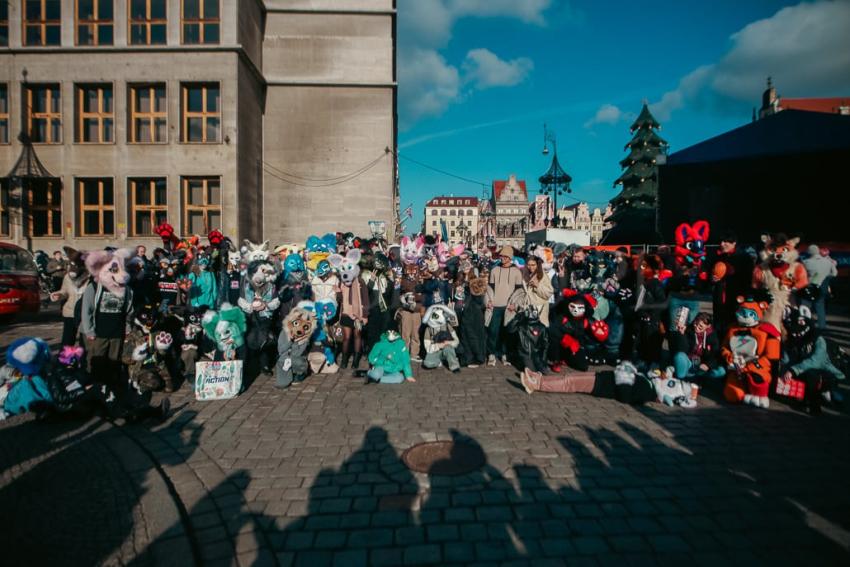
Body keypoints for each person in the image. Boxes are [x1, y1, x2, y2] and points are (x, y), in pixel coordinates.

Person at [710, 231, 754, 336]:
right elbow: (709, 274)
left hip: (736, 299)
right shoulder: (718, 257)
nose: (722, 244)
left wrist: (734, 272)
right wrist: (712, 278)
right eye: (721, 241)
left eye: (726, 242)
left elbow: (749, 279)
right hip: (720, 299)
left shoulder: (744, 257)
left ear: (734, 243)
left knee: (735, 328)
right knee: (719, 328)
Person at [486, 246, 523, 366]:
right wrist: (488, 301)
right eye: (501, 256)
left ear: (510, 258)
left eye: (505, 256)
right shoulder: (495, 270)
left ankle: (504, 354)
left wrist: (515, 304)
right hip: (495, 305)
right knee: (493, 331)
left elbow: (519, 291)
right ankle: (491, 353)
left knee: (506, 332)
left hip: (509, 307)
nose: (503, 258)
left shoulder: (517, 271)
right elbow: (489, 288)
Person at [668, 312, 724, 382]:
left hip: (703, 364)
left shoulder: (712, 336)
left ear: (708, 326)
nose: (696, 327)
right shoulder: (689, 330)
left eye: (700, 326)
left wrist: (708, 365)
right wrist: (682, 335)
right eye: (695, 323)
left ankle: (701, 379)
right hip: (690, 362)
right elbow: (683, 350)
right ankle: (681, 380)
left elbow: (716, 354)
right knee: (680, 356)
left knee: (721, 371)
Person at [802, 244, 838, 331]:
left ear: (809, 252)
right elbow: (834, 273)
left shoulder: (806, 262)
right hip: (822, 287)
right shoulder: (828, 262)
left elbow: (802, 275)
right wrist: (824, 276)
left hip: (810, 286)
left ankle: (805, 325)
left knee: (806, 306)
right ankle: (822, 327)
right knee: (820, 306)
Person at [523, 255, 554, 326]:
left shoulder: (543, 276)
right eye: (529, 265)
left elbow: (548, 293)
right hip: (527, 308)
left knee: (539, 332)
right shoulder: (525, 275)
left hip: (539, 309)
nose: (531, 267)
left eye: (533, 265)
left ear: (537, 265)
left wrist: (538, 286)